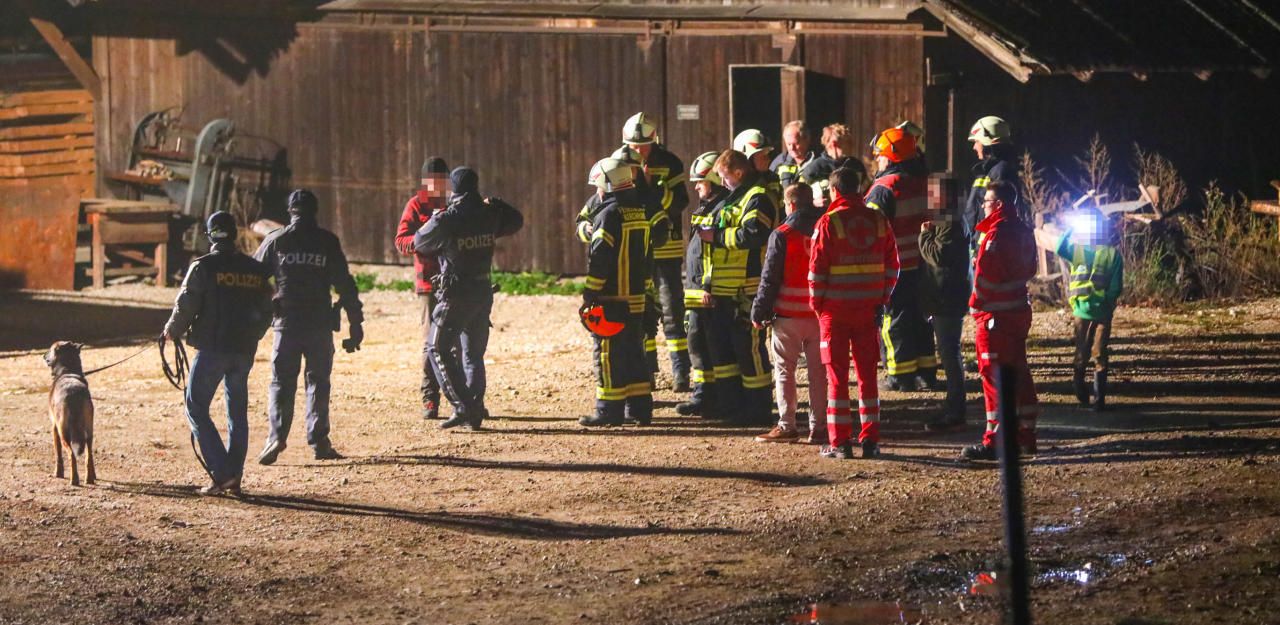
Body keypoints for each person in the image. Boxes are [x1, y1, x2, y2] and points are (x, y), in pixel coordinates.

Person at [163, 212, 273, 494]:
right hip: (243, 350)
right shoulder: (254, 270)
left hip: (212, 348)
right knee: (236, 413)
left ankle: (222, 472)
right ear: (234, 235)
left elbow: (186, 304)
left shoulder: (203, 267)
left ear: (210, 235)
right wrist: (254, 335)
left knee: (195, 407)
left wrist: (171, 331)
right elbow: (268, 310)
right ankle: (233, 476)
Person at [255, 189, 364, 465]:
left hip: (286, 323)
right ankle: (319, 441)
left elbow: (252, 276)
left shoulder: (276, 241)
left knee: (281, 382)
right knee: (318, 382)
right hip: (318, 323)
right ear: (315, 211)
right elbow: (346, 285)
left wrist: (268, 301)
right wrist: (355, 323)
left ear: (290, 211)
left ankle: (276, 437)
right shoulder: (327, 242)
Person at [414, 167, 523, 430]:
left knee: (437, 347)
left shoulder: (448, 219)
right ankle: (475, 409)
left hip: (456, 293)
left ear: (455, 189)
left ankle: (464, 406)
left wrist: (438, 221)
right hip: (483, 291)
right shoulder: (489, 214)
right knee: (473, 353)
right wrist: (496, 202)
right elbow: (516, 221)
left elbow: (420, 242)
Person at [809, 167, 899, 459]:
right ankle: (871, 441)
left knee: (836, 377)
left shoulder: (828, 222)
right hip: (868, 310)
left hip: (834, 312)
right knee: (867, 377)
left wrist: (817, 305)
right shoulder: (879, 220)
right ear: (859, 189)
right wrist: (881, 298)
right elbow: (893, 265)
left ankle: (840, 443)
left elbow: (816, 271)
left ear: (834, 192)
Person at [962, 180, 1041, 461]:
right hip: (1018, 312)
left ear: (996, 205)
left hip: (994, 318)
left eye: (985, 202)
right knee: (1018, 371)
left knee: (993, 378)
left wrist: (974, 306)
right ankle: (1025, 435)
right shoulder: (1023, 231)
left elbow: (983, 278)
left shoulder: (995, 235)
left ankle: (995, 441)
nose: (982, 207)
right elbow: (1031, 268)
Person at [702, 149, 778, 426]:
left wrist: (717, 236)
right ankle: (731, 405)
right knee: (725, 348)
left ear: (738, 172)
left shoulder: (756, 197)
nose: (721, 183)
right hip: (725, 288)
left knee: (749, 348)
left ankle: (757, 408)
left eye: (724, 177)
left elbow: (755, 234)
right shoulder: (732, 198)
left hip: (747, 287)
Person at [579, 157, 654, 426]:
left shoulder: (608, 215)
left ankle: (608, 410)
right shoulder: (639, 211)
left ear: (607, 184)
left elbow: (600, 258)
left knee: (608, 355)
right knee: (635, 354)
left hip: (611, 298)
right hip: (635, 297)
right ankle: (639, 409)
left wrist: (590, 292)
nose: (596, 191)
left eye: (598, 186)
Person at [750, 183, 827, 444]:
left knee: (785, 371)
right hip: (820, 314)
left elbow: (769, 278)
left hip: (787, 317)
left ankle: (787, 425)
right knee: (819, 373)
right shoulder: (826, 228)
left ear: (790, 205)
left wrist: (759, 310)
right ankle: (819, 428)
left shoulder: (782, 234)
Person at [865, 126, 937, 391]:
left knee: (893, 320)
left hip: (894, 267)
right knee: (921, 318)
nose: (877, 161)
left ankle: (899, 375)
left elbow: (867, 230)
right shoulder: (927, 181)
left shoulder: (884, 188)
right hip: (924, 264)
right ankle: (926, 372)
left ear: (889, 157)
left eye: (879, 155)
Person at [623, 113, 691, 391]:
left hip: (667, 248)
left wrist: (653, 191)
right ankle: (647, 372)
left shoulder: (669, 162)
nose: (639, 151)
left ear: (654, 141)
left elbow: (681, 201)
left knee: (673, 310)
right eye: (633, 145)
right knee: (642, 311)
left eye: (643, 145)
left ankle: (681, 373)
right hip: (639, 247)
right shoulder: (621, 162)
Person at [394, 156, 450, 420]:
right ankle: (430, 398)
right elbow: (401, 240)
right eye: (433, 181)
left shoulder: (454, 203)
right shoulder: (416, 205)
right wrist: (423, 241)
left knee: (459, 343)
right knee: (431, 343)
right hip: (428, 284)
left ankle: (465, 398)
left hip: (454, 282)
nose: (438, 186)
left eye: (442, 181)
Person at [676, 151, 729, 420]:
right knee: (696, 341)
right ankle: (703, 394)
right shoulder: (706, 207)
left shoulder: (723, 208)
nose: (696, 186)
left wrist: (710, 287)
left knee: (714, 344)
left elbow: (718, 253)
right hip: (697, 288)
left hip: (710, 289)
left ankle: (718, 397)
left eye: (700, 181)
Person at [1056, 204, 1122, 411]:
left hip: (1102, 312)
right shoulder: (1077, 250)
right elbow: (1059, 247)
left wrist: (1108, 301)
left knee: (1099, 352)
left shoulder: (1112, 254)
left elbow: (1116, 284)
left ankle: (1099, 398)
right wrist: (1070, 227)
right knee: (1081, 352)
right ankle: (1080, 389)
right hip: (1082, 311)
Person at [919, 174, 972, 431]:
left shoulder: (950, 222)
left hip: (948, 298)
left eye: (933, 192)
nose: (929, 197)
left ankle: (955, 411)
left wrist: (924, 236)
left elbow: (938, 254)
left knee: (950, 354)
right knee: (949, 353)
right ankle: (954, 407)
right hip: (944, 296)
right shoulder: (947, 220)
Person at [963, 115, 1020, 240]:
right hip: (978, 246)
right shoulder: (988, 171)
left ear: (986, 140)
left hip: (986, 248)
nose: (974, 147)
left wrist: (980, 250)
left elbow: (996, 217)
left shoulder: (1001, 172)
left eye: (977, 142)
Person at [800, 123, 867, 209]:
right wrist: (814, 203)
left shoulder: (856, 166)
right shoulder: (813, 169)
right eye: (848, 143)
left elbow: (867, 193)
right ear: (834, 144)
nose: (852, 146)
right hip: (822, 219)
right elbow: (799, 199)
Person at [733, 128, 783, 205]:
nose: (768, 159)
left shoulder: (773, 180)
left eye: (767, 154)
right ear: (747, 159)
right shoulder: (732, 184)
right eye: (763, 156)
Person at [769, 120, 817, 189]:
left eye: (796, 143)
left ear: (807, 139)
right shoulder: (778, 163)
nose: (792, 148)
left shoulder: (819, 161)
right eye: (788, 144)